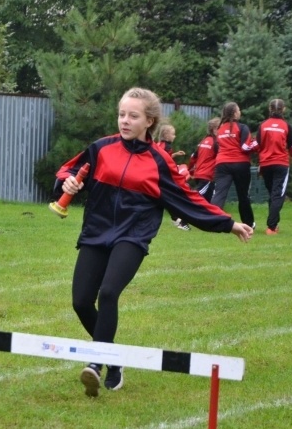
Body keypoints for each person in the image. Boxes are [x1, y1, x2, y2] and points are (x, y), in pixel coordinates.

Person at [53, 87, 254, 398]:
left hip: (133, 235)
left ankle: (95, 363)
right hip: (96, 231)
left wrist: (228, 223)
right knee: (80, 301)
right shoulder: (101, 148)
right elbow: (69, 170)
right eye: (121, 114)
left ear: (149, 121)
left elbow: (188, 200)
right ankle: (115, 359)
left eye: (133, 116)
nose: (124, 120)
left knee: (108, 293)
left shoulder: (160, 161)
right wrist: (66, 181)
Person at [210, 102, 258, 229]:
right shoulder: (242, 127)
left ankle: (212, 220)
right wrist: (257, 143)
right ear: (235, 113)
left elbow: (218, 146)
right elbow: (245, 147)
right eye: (239, 110)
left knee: (219, 193)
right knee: (243, 195)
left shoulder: (219, 129)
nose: (240, 112)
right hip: (240, 164)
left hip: (222, 163)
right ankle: (248, 223)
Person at [256, 99, 292, 235]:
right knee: (278, 195)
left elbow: (257, 145)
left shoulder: (263, 126)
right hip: (281, 164)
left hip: (266, 164)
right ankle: (272, 227)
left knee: (273, 194)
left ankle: (274, 223)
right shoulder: (286, 126)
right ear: (284, 110)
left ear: (269, 109)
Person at [155, 124, 190, 231]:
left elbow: (162, 157)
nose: (174, 136)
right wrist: (175, 169)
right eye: (173, 134)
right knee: (175, 196)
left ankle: (177, 219)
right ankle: (180, 221)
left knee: (165, 198)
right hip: (163, 176)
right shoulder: (168, 146)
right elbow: (165, 161)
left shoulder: (159, 144)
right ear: (166, 135)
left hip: (156, 175)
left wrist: (175, 155)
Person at [187, 118, 221, 202]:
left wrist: (190, 170)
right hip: (207, 176)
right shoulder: (216, 143)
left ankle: (210, 214)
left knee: (209, 200)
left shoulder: (203, 141)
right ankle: (183, 207)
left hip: (199, 174)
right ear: (215, 129)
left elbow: (193, 156)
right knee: (196, 197)